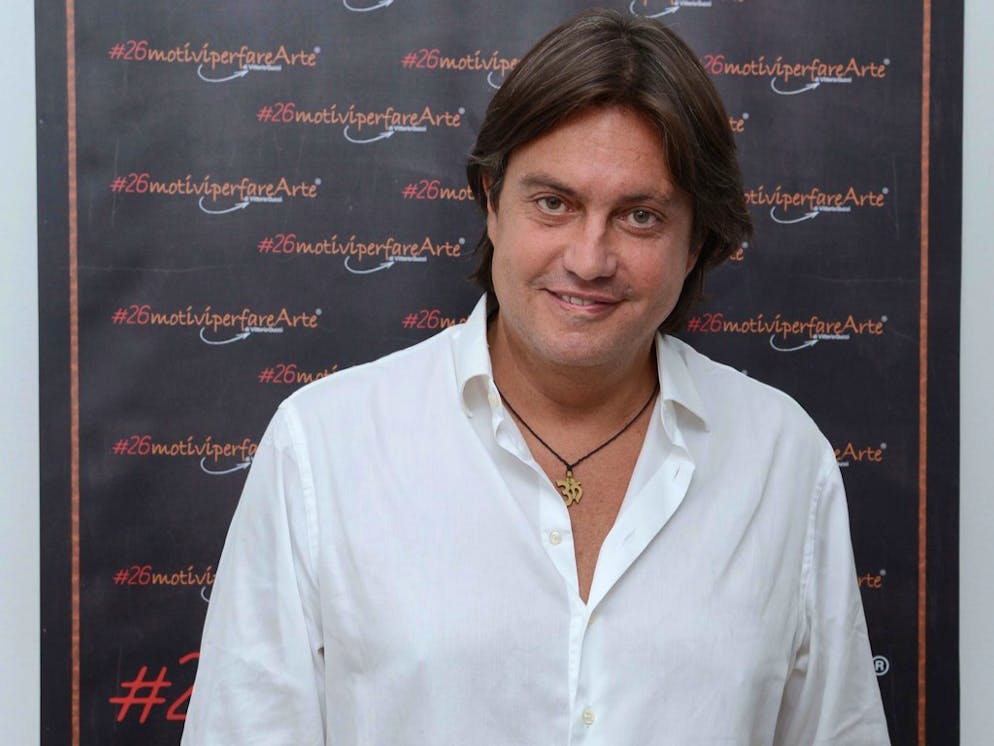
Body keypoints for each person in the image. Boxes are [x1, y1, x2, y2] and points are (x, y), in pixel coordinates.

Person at [182, 8, 890, 745]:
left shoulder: (782, 458)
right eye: (554, 203)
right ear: (492, 203)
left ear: (696, 241)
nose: (589, 259)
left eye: (640, 217)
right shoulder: (324, 447)